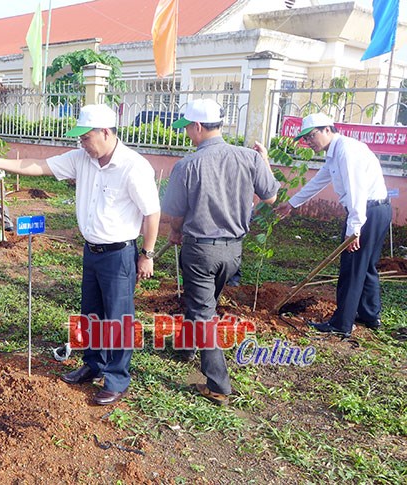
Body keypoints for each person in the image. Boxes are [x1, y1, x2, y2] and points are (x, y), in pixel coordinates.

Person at [0, 104, 161, 406]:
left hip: (119, 255)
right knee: (90, 312)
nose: (82, 144)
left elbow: (152, 213)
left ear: (105, 132)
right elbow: (39, 166)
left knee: (118, 317)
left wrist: (148, 254)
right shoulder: (82, 159)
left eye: (86, 138)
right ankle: (93, 364)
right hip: (92, 251)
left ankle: (116, 378)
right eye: (80, 139)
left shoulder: (133, 166)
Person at [162, 98, 279, 406]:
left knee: (203, 312)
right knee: (204, 302)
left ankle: (218, 385)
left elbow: (175, 212)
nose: (187, 133)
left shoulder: (187, 165)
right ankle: (186, 348)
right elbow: (271, 196)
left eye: (188, 127)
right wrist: (264, 159)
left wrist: (175, 231)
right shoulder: (249, 159)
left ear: (198, 127)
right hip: (233, 252)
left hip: (199, 250)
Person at [274, 113, 391, 337]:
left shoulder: (346, 150)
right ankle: (369, 315)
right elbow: (319, 181)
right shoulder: (334, 153)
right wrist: (292, 204)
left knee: (352, 267)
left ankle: (341, 324)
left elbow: (357, 190)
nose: (308, 142)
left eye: (311, 136)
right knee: (365, 267)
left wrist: (354, 228)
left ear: (327, 129)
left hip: (367, 211)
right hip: (374, 211)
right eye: (305, 139)